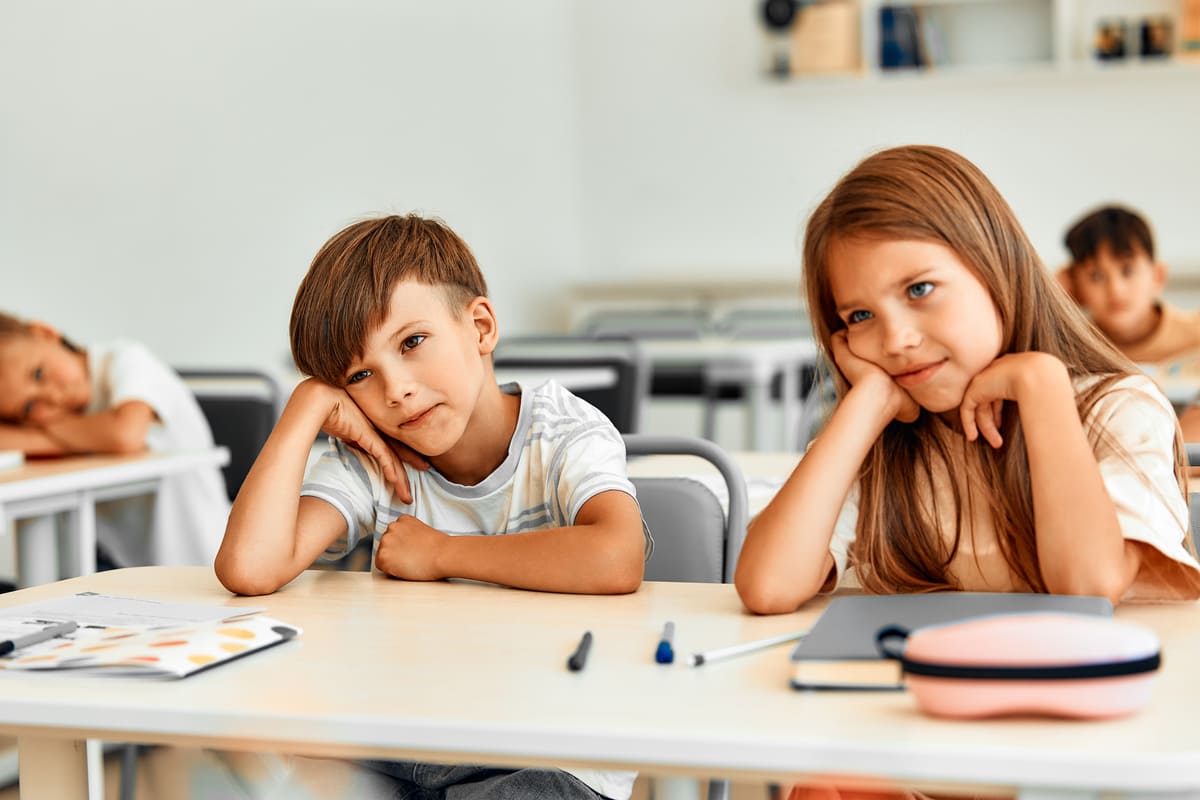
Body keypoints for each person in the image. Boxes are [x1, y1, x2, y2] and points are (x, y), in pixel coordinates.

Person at [215, 213, 647, 800]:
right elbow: (250, 568)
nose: (394, 390)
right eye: (360, 374)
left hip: (547, 747)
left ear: (481, 327)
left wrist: (442, 553)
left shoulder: (563, 431)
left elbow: (616, 557)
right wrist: (306, 407)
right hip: (403, 735)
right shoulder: (375, 459)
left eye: (412, 343)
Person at [736, 144, 1200, 621]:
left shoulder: (1118, 410)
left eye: (919, 289)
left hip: (1097, 689)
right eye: (860, 315)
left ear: (996, 267)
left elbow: (1085, 590)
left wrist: (1042, 388)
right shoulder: (883, 443)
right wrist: (867, 402)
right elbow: (768, 586)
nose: (896, 340)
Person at [0, 312, 229, 568]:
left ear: (45, 333)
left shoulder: (127, 360)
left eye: (39, 374)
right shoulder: (68, 418)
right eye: (29, 407)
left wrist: (40, 432)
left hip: (203, 560)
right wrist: (80, 435)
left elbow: (125, 435)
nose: (51, 397)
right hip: (127, 571)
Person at [1058, 204, 1200, 439]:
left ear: (1158, 276)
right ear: (1076, 287)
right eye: (1096, 276)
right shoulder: (1072, 346)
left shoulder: (1194, 331)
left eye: (1127, 270)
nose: (1116, 290)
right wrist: (1054, 294)